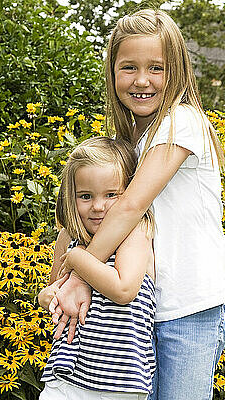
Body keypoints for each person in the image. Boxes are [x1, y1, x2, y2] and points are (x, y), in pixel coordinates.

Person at [50, 9, 225, 400]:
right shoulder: (133, 138)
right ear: (112, 72)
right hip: (138, 311)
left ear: (177, 71)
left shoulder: (183, 121)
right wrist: (59, 278)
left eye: (157, 68)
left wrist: (79, 275)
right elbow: (88, 214)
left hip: (187, 307)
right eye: (129, 67)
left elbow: (130, 206)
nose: (142, 80)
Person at [37, 136, 156, 400]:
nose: (98, 206)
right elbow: (56, 289)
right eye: (86, 196)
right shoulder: (69, 237)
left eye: (111, 195)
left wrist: (78, 258)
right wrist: (46, 298)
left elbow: (124, 289)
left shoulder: (135, 233)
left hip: (118, 383)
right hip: (64, 378)